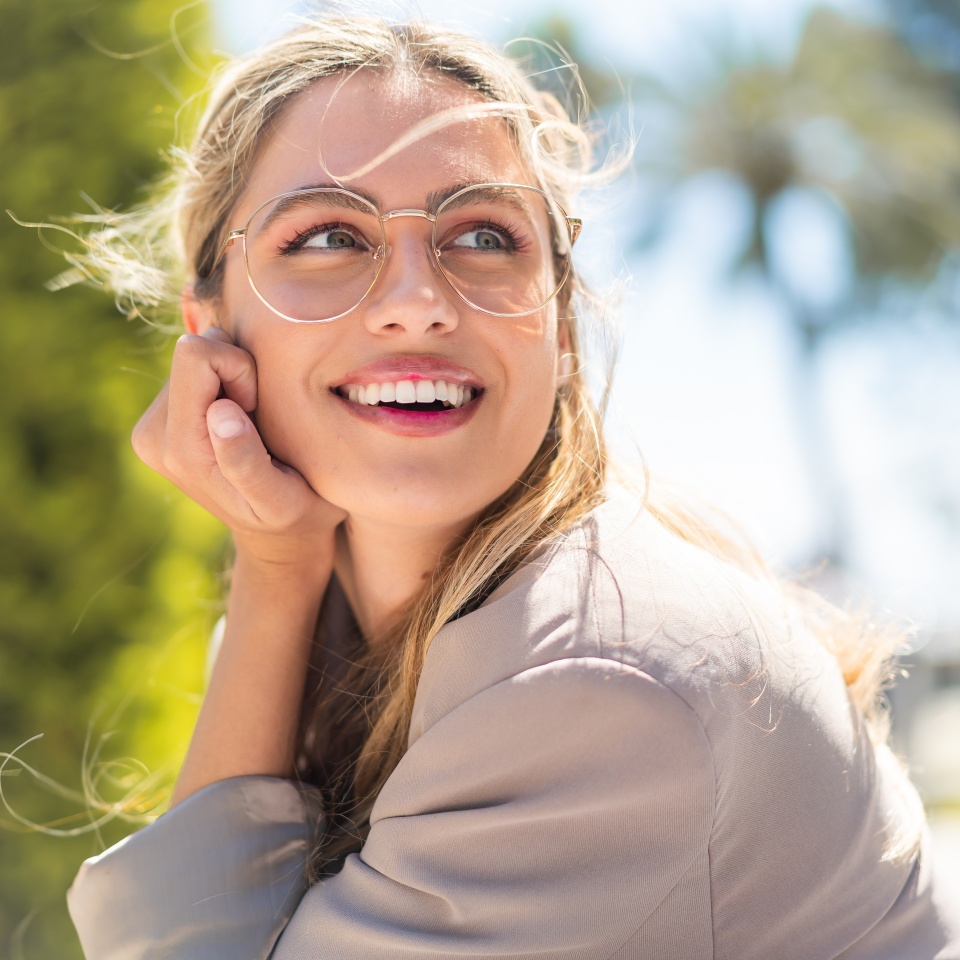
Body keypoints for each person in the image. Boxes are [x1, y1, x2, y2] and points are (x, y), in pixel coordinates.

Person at [62, 14, 959, 960]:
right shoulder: (329, 626)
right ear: (212, 333)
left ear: (561, 327)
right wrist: (276, 572)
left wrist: (272, 574)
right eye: (329, 235)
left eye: (483, 234)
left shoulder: (591, 683)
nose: (417, 300)